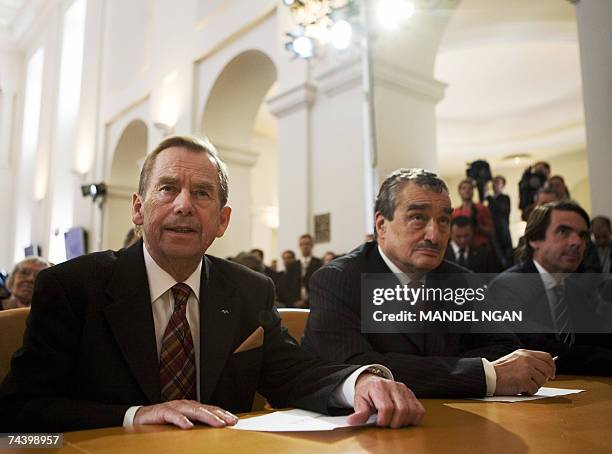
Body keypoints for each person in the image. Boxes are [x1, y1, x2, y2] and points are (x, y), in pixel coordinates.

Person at [0, 136, 423, 432]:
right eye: (167, 189)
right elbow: (20, 412)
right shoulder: (73, 288)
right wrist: (134, 416)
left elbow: (292, 374)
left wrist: (360, 384)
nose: (184, 205)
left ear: (222, 220)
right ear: (138, 208)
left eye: (202, 194)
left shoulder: (250, 290)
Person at [302, 168, 556, 398]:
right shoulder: (337, 279)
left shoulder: (463, 280)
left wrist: (422, 369)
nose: (434, 235)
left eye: (444, 220)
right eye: (417, 218)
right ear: (381, 226)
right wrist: (484, 375)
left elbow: (505, 347)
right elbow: (356, 368)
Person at [488, 201, 612, 375]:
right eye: (563, 231)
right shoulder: (507, 287)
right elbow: (539, 351)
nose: (577, 242)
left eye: (583, 235)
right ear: (534, 239)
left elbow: (596, 339)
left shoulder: (575, 289)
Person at [279, 234, 322, 308]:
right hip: (294, 304)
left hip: (313, 304)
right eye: (302, 244)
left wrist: (307, 301)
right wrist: (293, 301)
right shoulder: (292, 265)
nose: (305, 246)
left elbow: (320, 285)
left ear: (312, 245)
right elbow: (286, 286)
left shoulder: (319, 263)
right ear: (299, 246)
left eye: (308, 244)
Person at [453, 179, 493, 249]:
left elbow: (491, 231)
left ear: (473, 191)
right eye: (464, 188)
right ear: (459, 191)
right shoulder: (455, 212)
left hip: (480, 248)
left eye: (470, 188)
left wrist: (478, 227)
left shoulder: (482, 208)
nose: (467, 190)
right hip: (462, 249)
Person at [486, 175, 512, 266]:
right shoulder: (489, 200)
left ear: (503, 185)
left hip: (503, 233)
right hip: (492, 234)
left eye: (497, 182)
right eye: (493, 182)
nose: (494, 184)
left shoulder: (505, 198)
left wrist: (488, 197)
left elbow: (501, 209)